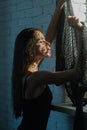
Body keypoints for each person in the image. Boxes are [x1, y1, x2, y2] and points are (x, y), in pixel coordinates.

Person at [12, 0, 84, 130]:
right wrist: (79, 30)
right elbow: (79, 71)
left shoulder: (29, 71)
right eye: (40, 41)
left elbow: (49, 37)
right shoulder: (37, 77)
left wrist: (60, 6)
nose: (47, 43)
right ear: (29, 49)